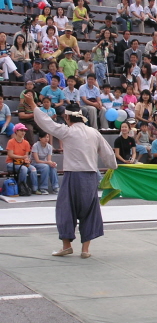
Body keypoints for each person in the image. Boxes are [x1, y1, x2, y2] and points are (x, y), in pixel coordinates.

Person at [24, 93, 117, 258]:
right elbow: (108, 155)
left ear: (67, 117)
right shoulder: (93, 132)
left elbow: (47, 123)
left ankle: (67, 245)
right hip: (89, 178)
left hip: (73, 177)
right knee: (89, 210)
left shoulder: (67, 131)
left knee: (65, 210)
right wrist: (114, 167)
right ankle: (85, 249)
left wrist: (33, 104)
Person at [5, 123, 39, 194]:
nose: (23, 132)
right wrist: (22, 157)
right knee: (24, 169)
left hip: (22, 162)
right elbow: (10, 155)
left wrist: (27, 160)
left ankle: (34, 189)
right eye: (21, 130)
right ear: (16, 131)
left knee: (33, 169)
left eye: (24, 131)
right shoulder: (11, 142)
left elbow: (26, 156)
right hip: (11, 163)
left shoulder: (26, 143)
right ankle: (21, 187)